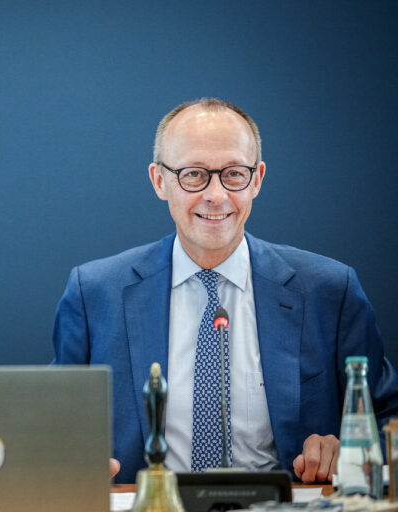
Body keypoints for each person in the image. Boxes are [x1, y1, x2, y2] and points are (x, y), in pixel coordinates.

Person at [52, 97, 398, 484]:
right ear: (159, 180)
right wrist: (70, 460)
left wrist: (352, 448)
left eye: (233, 174)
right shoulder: (95, 292)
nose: (215, 195)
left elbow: (389, 418)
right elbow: (54, 428)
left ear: (258, 179)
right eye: (194, 174)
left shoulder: (329, 291)